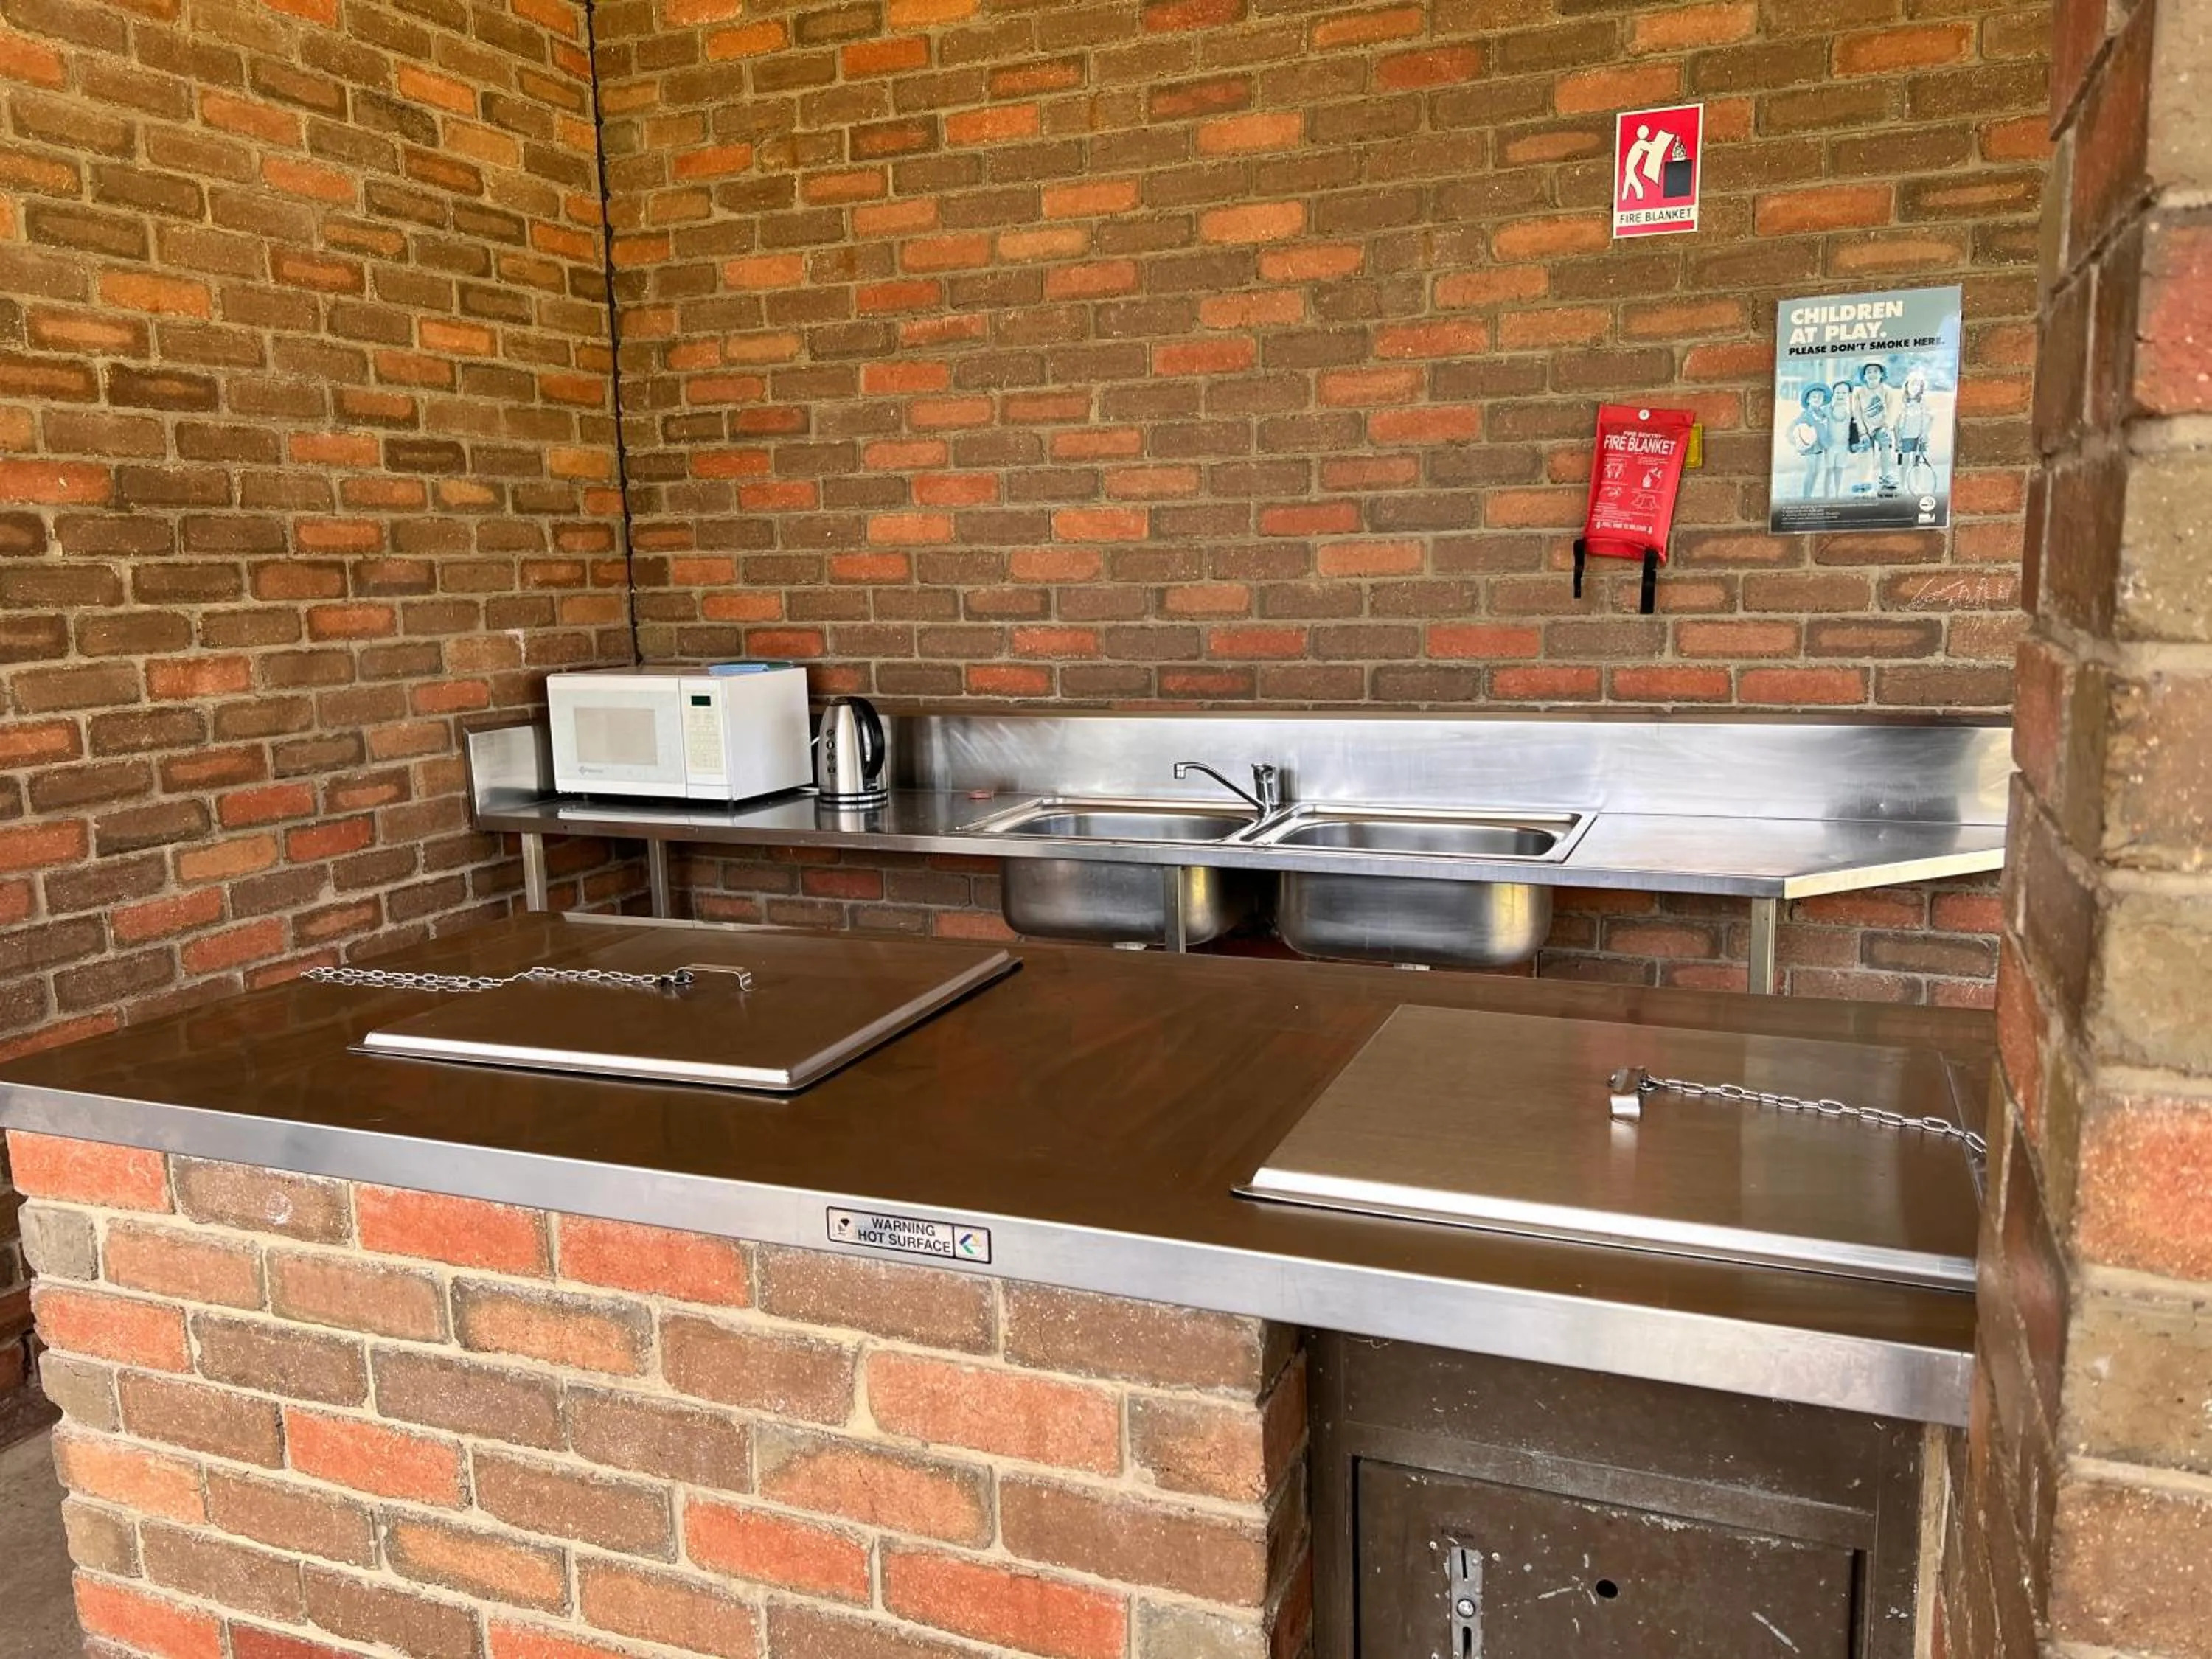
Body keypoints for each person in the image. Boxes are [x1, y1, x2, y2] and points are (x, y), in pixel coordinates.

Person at [1851, 361, 1900, 497]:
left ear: (1881, 374)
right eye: (1869, 372)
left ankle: (1885, 478)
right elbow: (1857, 413)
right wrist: (1862, 432)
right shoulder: (1858, 392)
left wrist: (1887, 427)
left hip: (1881, 426)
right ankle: (1865, 483)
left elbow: (1892, 411)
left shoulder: (1887, 390)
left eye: (1875, 371)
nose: (1872, 374)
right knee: (1865, 450)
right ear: (1864, 376)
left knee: (1886, 442)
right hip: (1865, 428)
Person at [1896, 366, 1937, 497]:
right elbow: (1896, 423)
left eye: (1918, 385)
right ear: (1907, 386)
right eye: (1912, 384)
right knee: (1905, 462)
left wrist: (1924, 434)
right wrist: (1897, 439)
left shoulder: (1923, 402)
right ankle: (1902, 486)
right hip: (1906, 437)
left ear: (1921, 388)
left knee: (1917, 463)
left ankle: (1917, 487)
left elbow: (1930, 418)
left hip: (1919, 438)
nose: (1915, 387)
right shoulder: (1902, 402)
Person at [1788, 386, 1829, 501]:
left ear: (1823, 400)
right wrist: (1796, 441)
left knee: (1817, 471)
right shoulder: (1806, 415)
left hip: (1820, 447)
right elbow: (1792, 428)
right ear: (1808, 400)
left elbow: (1823, 429)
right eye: (1814, 397)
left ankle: (1809, 494)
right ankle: (1806, 496)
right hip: (1810, 448)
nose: (1817, 399)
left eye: (1820, 397)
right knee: (1811, 471)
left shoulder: (1823, 414)